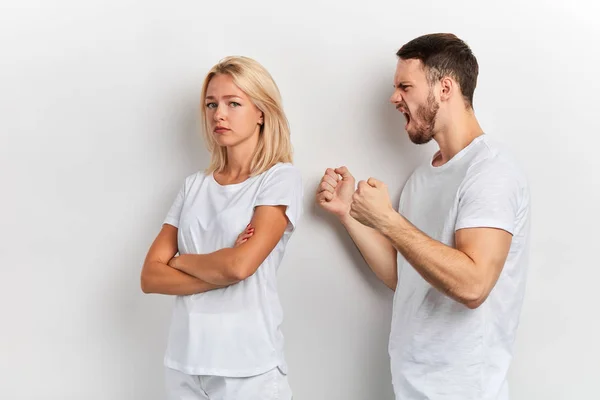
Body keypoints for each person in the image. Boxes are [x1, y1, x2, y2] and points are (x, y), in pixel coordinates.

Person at [316, 33, 530, 399]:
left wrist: (387, 220)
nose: (394, 98)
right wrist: (349, 213)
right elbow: (406, 277)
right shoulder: (422, 178)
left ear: (444, 88)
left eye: (405, 86)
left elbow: (473, 285)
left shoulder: (490, 171)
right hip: (411, 388)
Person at [141, 56, 302, 400]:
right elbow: (149, 278)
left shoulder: (278, 179)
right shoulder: (193, 186)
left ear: (261, 111)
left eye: (233, 103)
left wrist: (180, 260)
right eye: (211, 104)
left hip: (248, 368)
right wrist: (222, 268)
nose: (219, 114)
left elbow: (240, 266)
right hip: (185, 365)